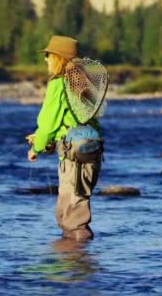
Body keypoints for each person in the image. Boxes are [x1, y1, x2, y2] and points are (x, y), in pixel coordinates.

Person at [26, 35, 102, 241]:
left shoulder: (58, 84)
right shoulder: (84, 83)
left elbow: (48, 122)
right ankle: (75, 259)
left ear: (59, 58)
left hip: (73, 156)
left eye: (49, 55)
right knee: (73, 207)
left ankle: (76, 263)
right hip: (90, 153)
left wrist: (37, 148)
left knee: (73, 215)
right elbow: (79, 120)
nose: (46, 59)